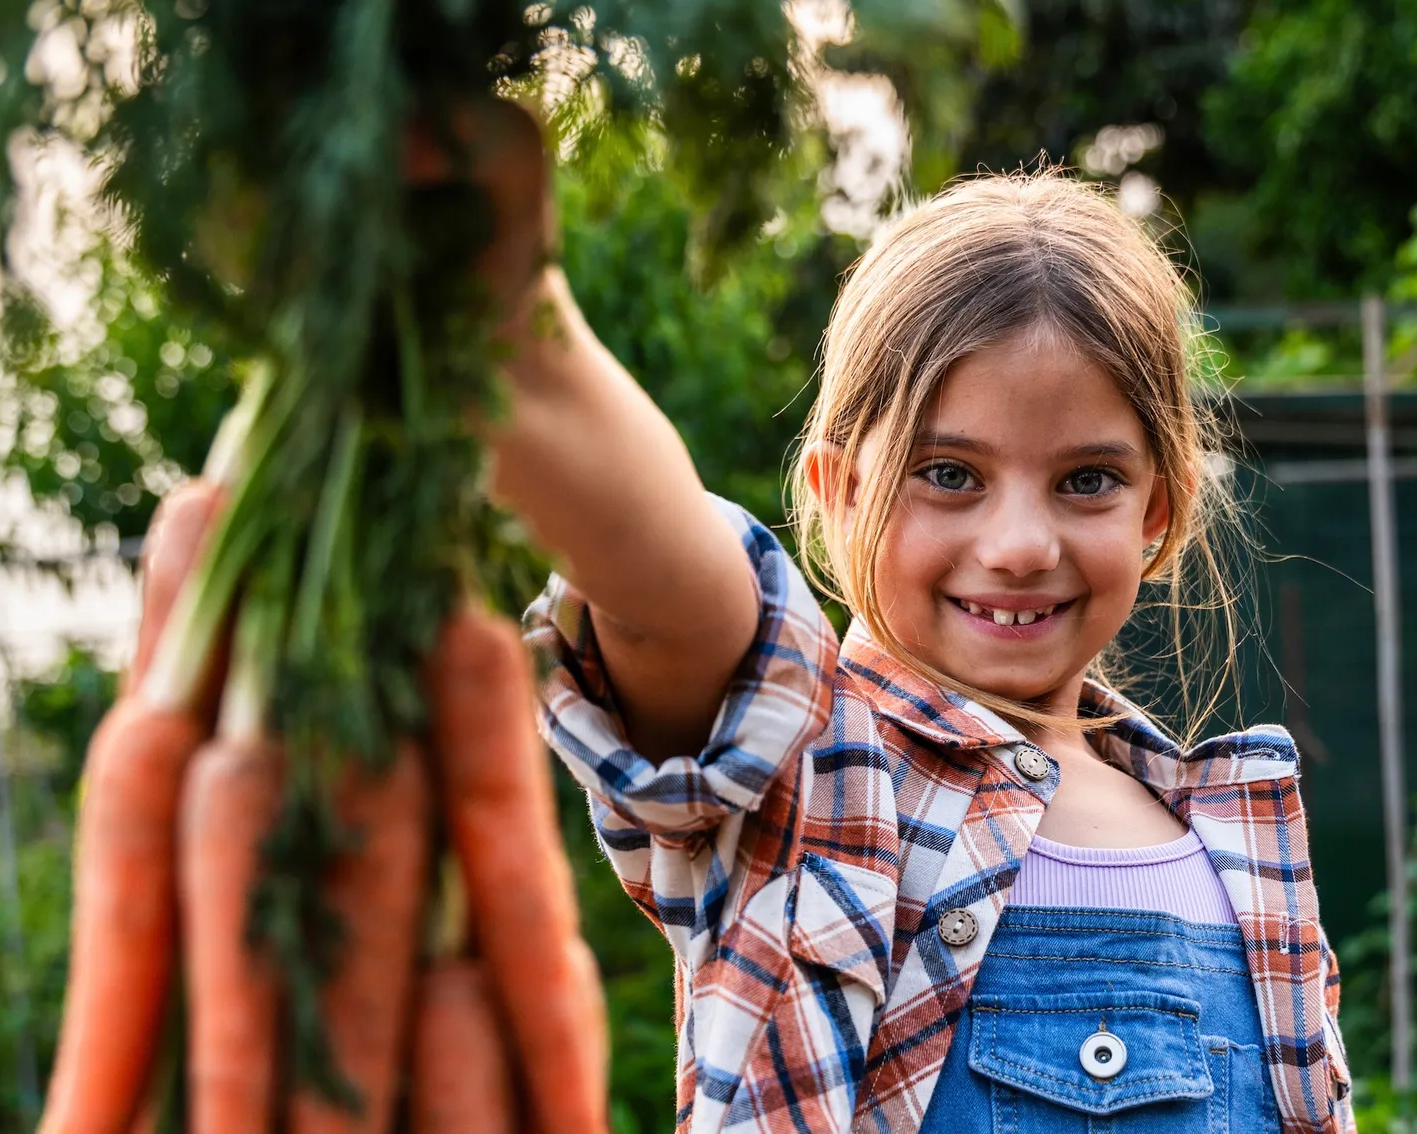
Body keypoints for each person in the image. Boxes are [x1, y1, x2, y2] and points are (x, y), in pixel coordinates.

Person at [488, 123, 1356, 1132]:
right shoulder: (808, 777)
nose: (1021, 545)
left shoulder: (1237, 847)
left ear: (1156, 510)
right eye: (948, 474)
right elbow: (664, 583)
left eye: (1087, 481)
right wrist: (509, 304)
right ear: (839, 491)